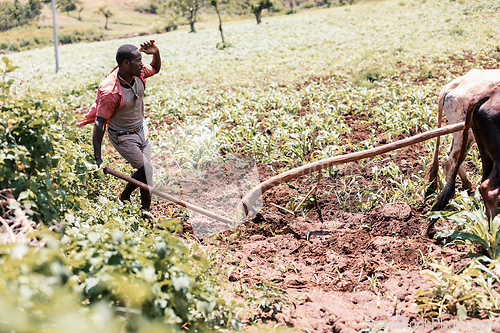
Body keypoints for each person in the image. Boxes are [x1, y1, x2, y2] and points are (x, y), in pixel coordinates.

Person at [78, 40, 161, 219]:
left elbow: (155, 68)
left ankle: (133, 202)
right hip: (123, 136)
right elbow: (99, 123)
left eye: (141, 60)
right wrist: (98, 158)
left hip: (141, 130)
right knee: (147, 170)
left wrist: (156, 52)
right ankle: (138, 208)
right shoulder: (110, 91)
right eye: (138, 60)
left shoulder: (138, 73)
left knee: (146, 173)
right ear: (125, 64)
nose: (142, 64)